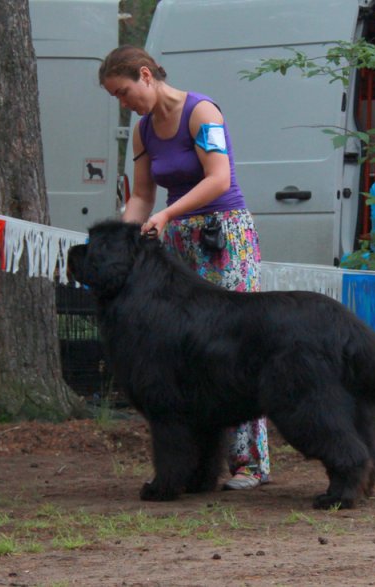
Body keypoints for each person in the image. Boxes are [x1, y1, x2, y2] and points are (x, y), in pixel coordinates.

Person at [98, 45, 270, 490]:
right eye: (116, 97)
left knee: (238, 341)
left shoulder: (202, 112)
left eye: (124, 91)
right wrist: (123, 241)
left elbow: (219, 178)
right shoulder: (143, 131)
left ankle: (250, 462)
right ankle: (197, 463)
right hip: (176, 239)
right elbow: (141, 197)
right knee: (190, 351)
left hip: (223, 236)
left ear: (145, 75)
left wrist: (169, 215)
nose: (124, 102)